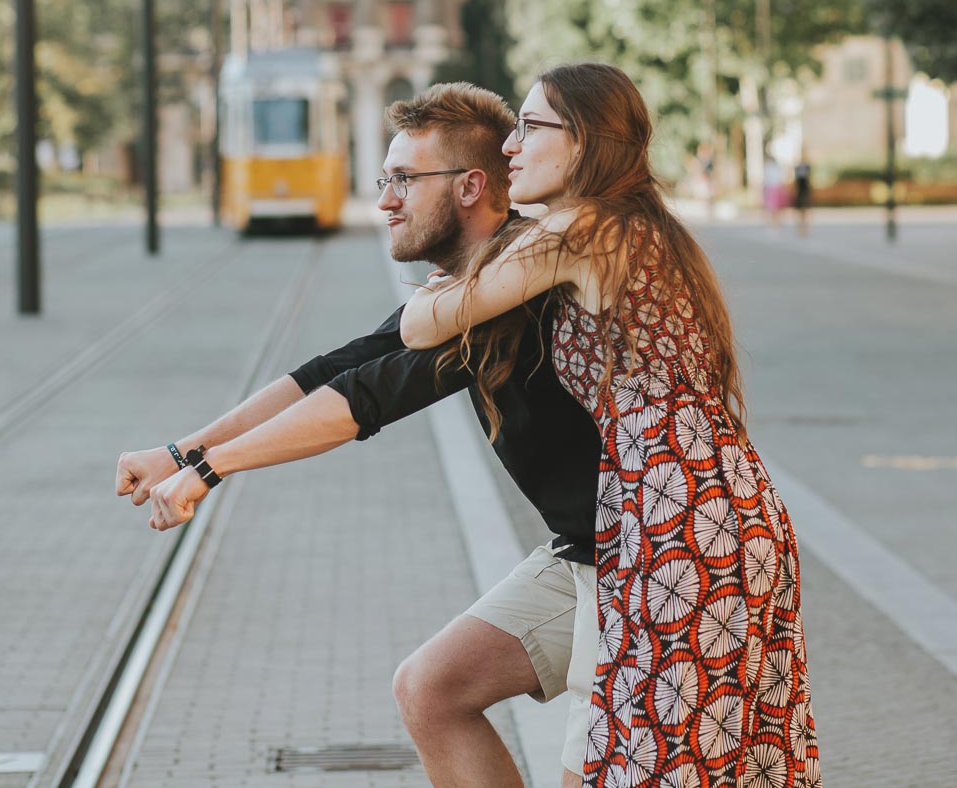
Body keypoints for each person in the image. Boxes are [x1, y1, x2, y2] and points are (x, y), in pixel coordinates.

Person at [118, 83, 604, 788]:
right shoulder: (464, 284)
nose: (384, 200)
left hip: (651, 570)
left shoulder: (514, 286)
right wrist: (180, 452)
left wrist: (210, 471)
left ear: (471, 187)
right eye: (385, 179)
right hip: (586, 557)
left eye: (404, 179)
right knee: (430, 689)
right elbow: (337, 369)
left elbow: (363, 400)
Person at [401, 63, 820, 788]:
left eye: (531, 129)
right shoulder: (641, 225)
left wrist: (440, 290)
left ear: (585, 142)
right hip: (710, 514)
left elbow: (423, 325)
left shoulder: (580, 228)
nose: (510, 147)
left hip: (677, 528)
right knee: (671, 757)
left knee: (654, 759)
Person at [792, 160, 813, 237]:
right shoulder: (798, 168)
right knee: (801, 212)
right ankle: (801, 228)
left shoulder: (807, 168)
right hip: (800, 192)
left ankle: (804, 228)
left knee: (805, 212)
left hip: (805, 192)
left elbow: (808, 180)